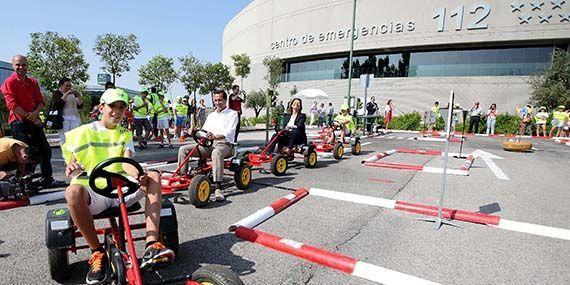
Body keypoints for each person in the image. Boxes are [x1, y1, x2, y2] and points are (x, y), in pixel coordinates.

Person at [62, 89, 174, 284]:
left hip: (121, 189)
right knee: (72, 192)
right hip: (92, 192)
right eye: (112, 106)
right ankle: (97, 252)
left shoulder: (124, 133)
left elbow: (126, 162)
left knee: (154, 176)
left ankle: (150, 245)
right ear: (101, 107)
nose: (117, 111)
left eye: (121, 107)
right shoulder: (83, 132)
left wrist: (139, 176)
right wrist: (72, 166)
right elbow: (71, 164)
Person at [0, 55, 55, 187]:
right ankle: (24, 182)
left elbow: (41, 102)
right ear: (13, 66)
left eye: (24, 65)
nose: (21, 67)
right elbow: (12, 105)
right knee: (25, 154)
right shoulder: (9, 83)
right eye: (18, 65)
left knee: (45, 150)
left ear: (27, 66)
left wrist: (35, 114)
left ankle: (47, 179)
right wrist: (30, 117)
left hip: (34, 120)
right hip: (19, 123)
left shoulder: (33, 82)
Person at [177, 89, 238, 202]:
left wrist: (215, 136)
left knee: (216, 152)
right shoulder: (211, 115)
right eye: (215, 100)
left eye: (220, 100)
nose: (217, 102)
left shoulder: (232, 114)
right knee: (183, 149)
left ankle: (218, 187)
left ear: (225, 100)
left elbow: (229, 132)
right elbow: (204, 130)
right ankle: (182, 178)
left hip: (225, 145)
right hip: (208, 144)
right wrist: (195, 131)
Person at [52, 78, 83, 145]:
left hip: (74, 118)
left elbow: (80, 105)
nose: (68, 87)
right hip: (63, 119)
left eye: (70, 86)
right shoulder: (57, 93)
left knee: (75, 138)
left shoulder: (72, 94)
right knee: (64, 139)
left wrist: (79, 96)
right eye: (66, 86)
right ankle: (65, 154)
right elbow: (57, 105)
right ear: (61, 85)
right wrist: (66, 94)